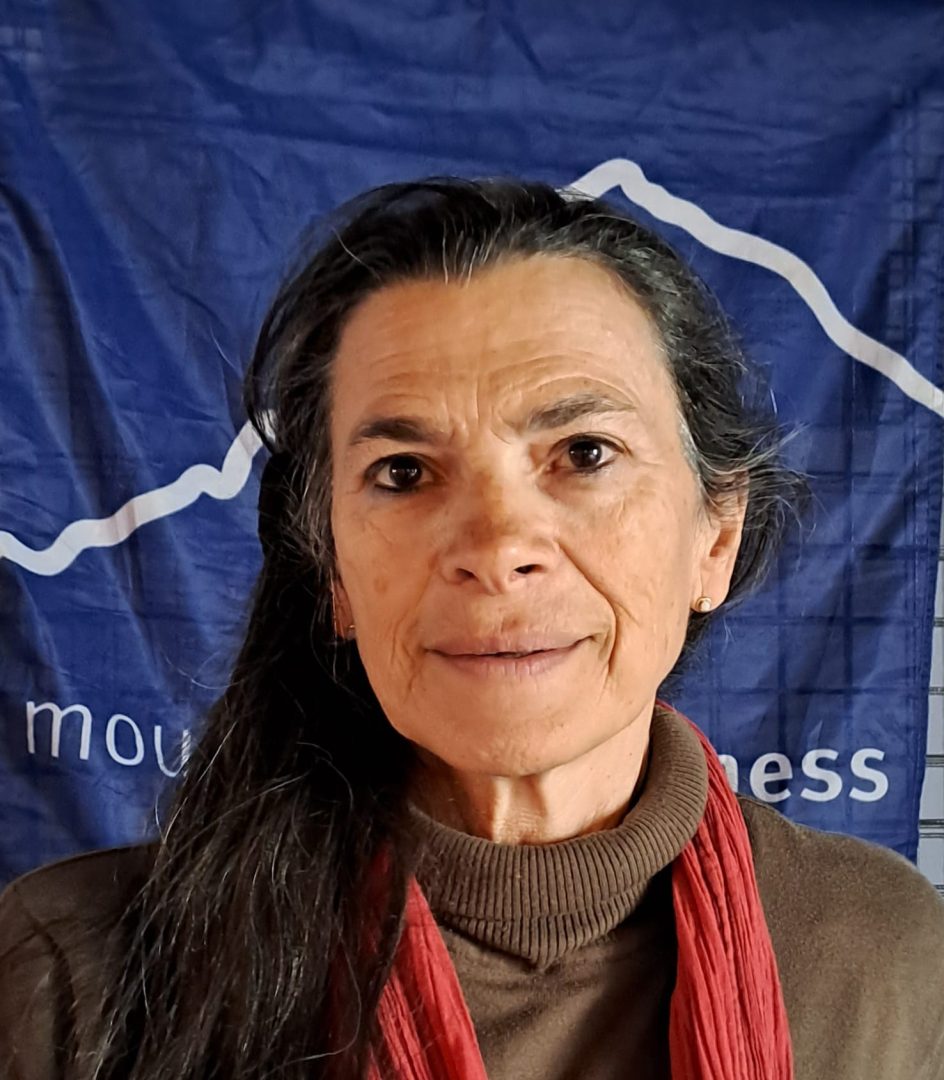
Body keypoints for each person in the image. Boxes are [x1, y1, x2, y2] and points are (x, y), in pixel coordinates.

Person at [1, 177, 942, 1080]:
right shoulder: (75, 974)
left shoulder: (884, 957)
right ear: (332, 571)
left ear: (715, 539)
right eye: (404, 473)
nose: (496, 549)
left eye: (584, 453)